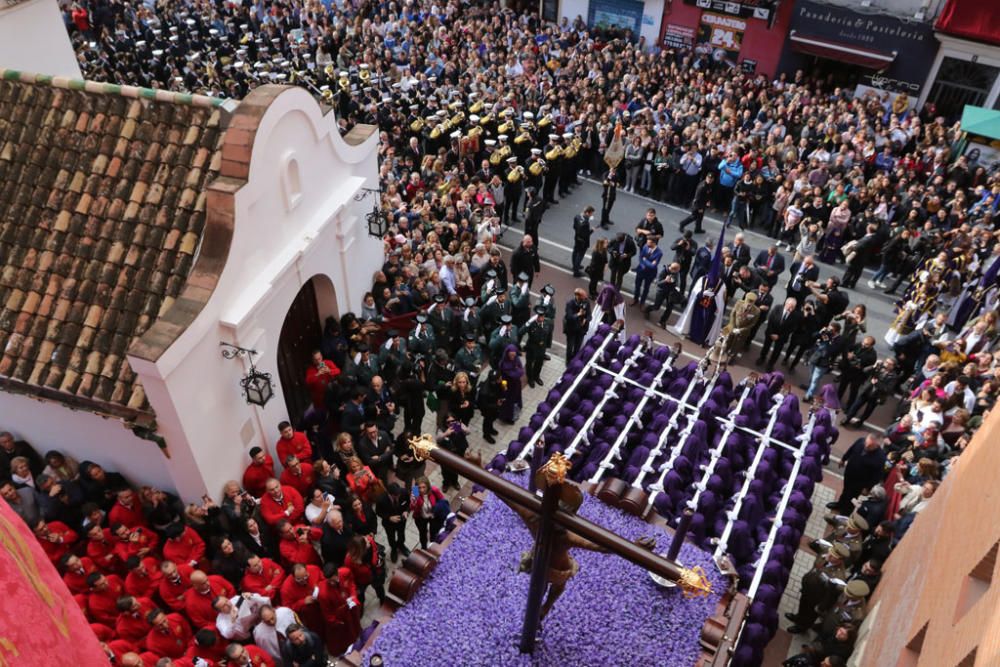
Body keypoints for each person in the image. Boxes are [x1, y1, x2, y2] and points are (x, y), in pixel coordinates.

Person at [832, 434, 887, 514]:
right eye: (866, 443)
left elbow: (877, 476)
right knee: (845, 490)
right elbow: (851, 449)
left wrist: (867, 488)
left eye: (869, 446)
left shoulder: (880, 457)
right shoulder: (861, 440)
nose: (866, 447)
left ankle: (845, 513)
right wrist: (843, 459)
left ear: (877, 445)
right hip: (849, 474)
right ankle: (840, 504)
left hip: (860, 482)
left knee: (852, 497)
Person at [802, 322, 844, 402]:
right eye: (829, 328)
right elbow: (813, 336)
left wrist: (828, 341)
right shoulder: (826, 334)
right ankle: (811, 390)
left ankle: (808, 395)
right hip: (815, 358)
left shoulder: (840, 340)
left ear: (836, 331)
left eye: (831, 330)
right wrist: (820, 332)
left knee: (815, 379)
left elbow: (831, 351)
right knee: (811, 378)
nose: (829, 330)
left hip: (824, 362)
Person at [375, 482, 409, 563]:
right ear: (389, 494)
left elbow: (408, 503)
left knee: (401, 534)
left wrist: (406, 511)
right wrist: (389, 518)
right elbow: (378, 512)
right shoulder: (381, 499)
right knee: (391, 537)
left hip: (401, 521)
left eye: (399, 495)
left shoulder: (404, 492)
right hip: (389, 524)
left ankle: (401, 545)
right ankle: (394, 549)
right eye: (395, 496)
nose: (398, 497)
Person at [410, 477, 447, 550]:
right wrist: (414, 500)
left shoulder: (434, 490)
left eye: (424, 487)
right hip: (420, 517)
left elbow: (442, 501)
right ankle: (424, 547)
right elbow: (412, 508)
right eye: (419, 488)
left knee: (434, 532)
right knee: (422, 534)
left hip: (433, 516)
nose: (422, 490)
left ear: (428, 486)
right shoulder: (415, 492)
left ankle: (432, 546)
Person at [522, 306, 553, 388]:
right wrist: (528, 323)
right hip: (532, 347)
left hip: (541, 348)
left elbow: (549, 335)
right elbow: (520, 332)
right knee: (529, 364)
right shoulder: (531, 324)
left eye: (543, 316)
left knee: (539, 363)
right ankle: (530, 379)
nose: (541, 318)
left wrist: (547, 346)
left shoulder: (548, 323)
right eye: (539, 316)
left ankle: (536, 376)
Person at [498, 344, 525, 424]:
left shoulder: (516, 359)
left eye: (514, 355)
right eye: (511, 355)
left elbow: (521, 371)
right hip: (507, 386)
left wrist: (517, 371)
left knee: (515, 398)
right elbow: (511, 374)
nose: (513, 357)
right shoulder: (504, 363)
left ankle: (515, 409)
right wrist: (517, 371)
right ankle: (507, 418)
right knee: (508, 402)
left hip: (515, 383)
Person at [632, 237, 663, 308]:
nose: (647, 243)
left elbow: (653, 266)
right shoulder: (645, 246)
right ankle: (635, 299)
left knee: (646, 288)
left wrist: (645, 260)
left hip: (650, 274)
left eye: (649, 242)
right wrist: (643, 265)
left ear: (654, 243)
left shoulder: (659, 253)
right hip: (641, 270)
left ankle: (642, 303)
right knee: (637, 286)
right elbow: (640, 257)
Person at [563, 288, 592, 361]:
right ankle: (568, 362)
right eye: (583, 296)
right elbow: (569, 317)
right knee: (570, 348)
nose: (585, 298)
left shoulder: (586, 302)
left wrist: (585, 319)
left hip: (581, 330)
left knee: (577, 348)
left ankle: (573, 362)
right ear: (577, 296)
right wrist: (579, 314)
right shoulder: (570, 303)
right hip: (571, 329)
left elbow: (589, 315)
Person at [572, 206, 596, 277]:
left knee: (575, 252)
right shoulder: (585, 223)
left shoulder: (577, 216)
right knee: (580, 255)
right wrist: (592, 230)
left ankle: (575, 266)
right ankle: (576, 272)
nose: (592, 215)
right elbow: (586, 235)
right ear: (587, 213)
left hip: (577, 237)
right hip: (583, 242)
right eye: (591, 213)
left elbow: (574, 227)